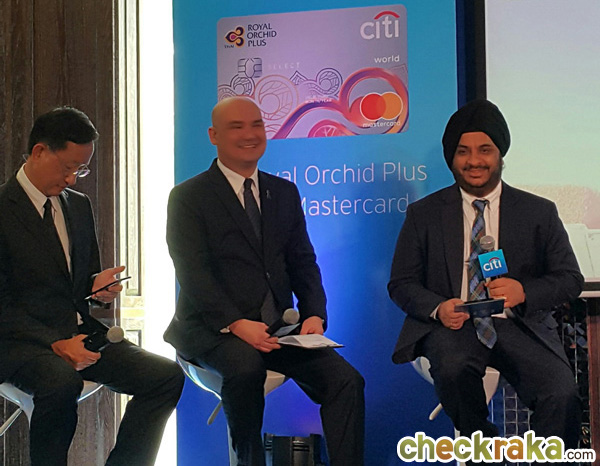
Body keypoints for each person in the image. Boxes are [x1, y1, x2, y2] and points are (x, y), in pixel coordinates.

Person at [165, 96, 365, 466]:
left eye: (256, 125)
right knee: (245, 369)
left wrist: (314, 314)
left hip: (279, 330)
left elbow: (303, 261)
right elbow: (193, 273)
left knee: (346, 380)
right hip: (214, 329)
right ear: (213, 135)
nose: (250, 134)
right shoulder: (189, 197)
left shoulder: (283, 192)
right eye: (236, 127)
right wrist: (236, 323)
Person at [388, 100, 583, 447]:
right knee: (453, 369)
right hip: (455, 325)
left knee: (561, 393)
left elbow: (570, 279)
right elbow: (402, 283)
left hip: (520, 325)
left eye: (484, 150)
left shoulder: (538, 212)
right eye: (463, 151)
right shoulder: (424, 214)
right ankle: (486, 450)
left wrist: (523, 291)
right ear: (451, 157)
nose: (474, 161)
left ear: (500, 154)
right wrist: (438, 308)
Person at [0, 107, 184, 466]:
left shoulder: (78, 206)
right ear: (39, 152)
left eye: (81, 170)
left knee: (165, 377)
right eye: (68, 167)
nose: (72, 179)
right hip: (19, 342)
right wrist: (53, 343)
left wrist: (97, 289)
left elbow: (78, 283)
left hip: (79, 334)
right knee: (60, 382)